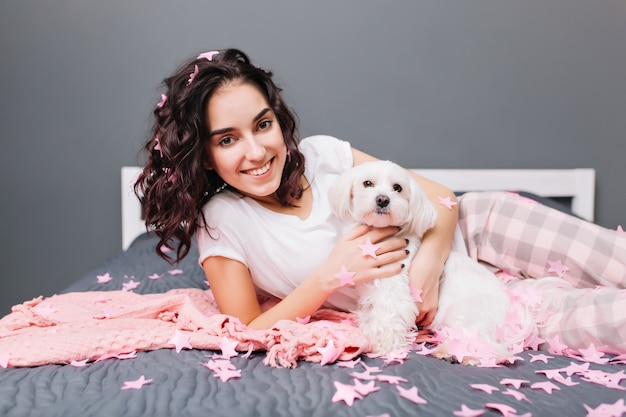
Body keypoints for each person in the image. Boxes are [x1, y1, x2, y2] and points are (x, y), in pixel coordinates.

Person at [135, 49, 626, 351]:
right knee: (593, 319)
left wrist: (424, 280)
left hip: (474, 230)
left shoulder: (322, 154)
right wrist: (329, 276)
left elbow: (440, 199)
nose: (258, 150)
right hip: (463, 304)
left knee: (612, 258)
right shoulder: (223, 223)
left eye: (263, 125)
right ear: (201, 155)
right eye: (227, 139)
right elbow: (245, 332)